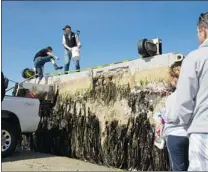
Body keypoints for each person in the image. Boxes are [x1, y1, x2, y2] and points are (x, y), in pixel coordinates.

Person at [172, 12, 208, 171]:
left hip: (202, 131)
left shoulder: (195, 58)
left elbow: (184, 100)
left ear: (203, 30)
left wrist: (185, 123)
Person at [162, 60, 189, 171]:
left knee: (178, 168)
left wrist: (162, 116)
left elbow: (171, 117)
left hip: (174, 135)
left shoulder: (173, 97)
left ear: (175, 78)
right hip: (189, 134)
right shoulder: (192, 93)